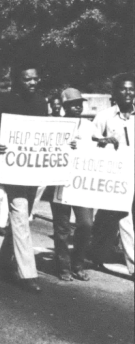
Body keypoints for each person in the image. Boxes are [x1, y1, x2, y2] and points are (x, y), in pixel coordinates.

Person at [0, 65, 47, 293]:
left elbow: (48, 133)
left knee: (21, 217)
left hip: (33, 171)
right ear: (17, 81)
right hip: (13, 170)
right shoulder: (5, 102)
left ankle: (3, 260)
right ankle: (27, 273)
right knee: (21, 213)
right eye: (27, 79)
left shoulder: (42, 103)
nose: (32, 83)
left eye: (35, 79)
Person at [89, 73, 134, 275]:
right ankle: (101, 256)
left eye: (131, 89)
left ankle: (98, 253)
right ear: (115, 93)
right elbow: (90, 140)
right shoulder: (105, 117)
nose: (128, 92)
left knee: (119, 219)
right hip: (116, 179)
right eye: (123, 89)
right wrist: (103, 142)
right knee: (118, 218)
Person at [48, 88, 95, 281]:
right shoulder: (56, 125)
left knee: (86, 224)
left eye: (79, 103)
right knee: (62, 228)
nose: (77, 107)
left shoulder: (89, 125)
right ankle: (64, 267)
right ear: (64, 106)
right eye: (73, 104)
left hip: (82, 182)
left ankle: (78, 263)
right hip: (60, 183)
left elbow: (97, 145)